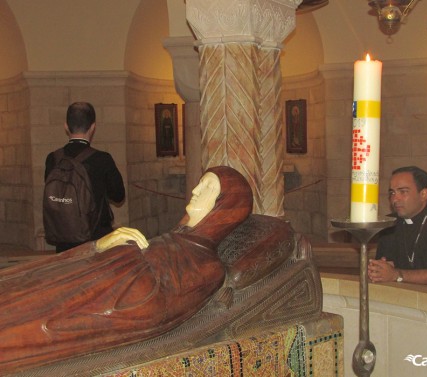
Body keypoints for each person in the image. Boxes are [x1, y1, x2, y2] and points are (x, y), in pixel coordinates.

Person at [0, 166, 253, 374]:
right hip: (82, 277)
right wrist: (100, 246)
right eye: (200, 183)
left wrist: (129, 261)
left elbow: (158, 313)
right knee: (22, 285)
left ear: (225, 208)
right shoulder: (171, 240)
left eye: (208, 187)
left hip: (94, 301)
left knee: (20, 318)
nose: (195, 190)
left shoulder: (209, 266)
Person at [44, 102, 125, 252]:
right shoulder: (102, 159)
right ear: (93, 127)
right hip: (96, 240)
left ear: (66, 126)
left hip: (63, 240)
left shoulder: (53, 158)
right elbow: (119, 195)